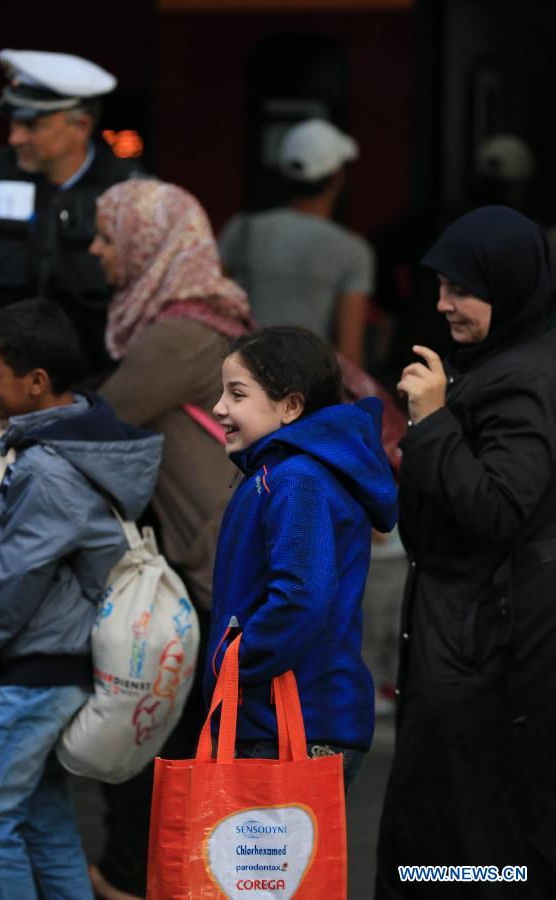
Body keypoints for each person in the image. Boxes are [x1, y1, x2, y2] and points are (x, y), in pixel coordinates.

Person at [375, 206, 556, 898]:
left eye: (461, 290)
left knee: (473, 838)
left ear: (507, 287)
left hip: (489, 653)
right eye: (442, 286)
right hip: (477, 640)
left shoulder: (524, 381)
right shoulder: (506, 361)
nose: (443, 304)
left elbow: (497, 506)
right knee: (456, 834)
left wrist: (434, 421)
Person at [0, 298, 161, 900]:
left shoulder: (48, 469)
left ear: (36, 382)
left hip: (42, 665)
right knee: (42, 821)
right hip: (63, 657)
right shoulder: (76, 446)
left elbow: (17, 579)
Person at [88, 177, 251, 900]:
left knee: (163, 738)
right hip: (219, 562)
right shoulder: (208, 320)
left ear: (149, 243)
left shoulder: (180, 333)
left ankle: (138, 875)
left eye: (107, 235)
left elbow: (100, 423)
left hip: (212, 569)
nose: (96, 251)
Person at [205, 326, 398, 789]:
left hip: (290, 723)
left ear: (290, 406)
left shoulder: (295, 478)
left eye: (237, 393)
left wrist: (233, 663)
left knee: (268, 864)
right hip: (292, 718)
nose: (219, 408)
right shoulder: (285, 471)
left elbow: (302, 596)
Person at [0, 49, 141, 376]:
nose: (15, 138)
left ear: (80, 126)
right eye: (13, 123)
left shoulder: (127, 190)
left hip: (94, 391)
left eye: (31, 125)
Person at [218, 119, 375, 366]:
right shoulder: (353, 250)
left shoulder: (243, 228)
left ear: (283, 172)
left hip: (241, 378)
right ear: (338, 176)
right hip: (307, 385)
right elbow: (350, 352)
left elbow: (210, 307)